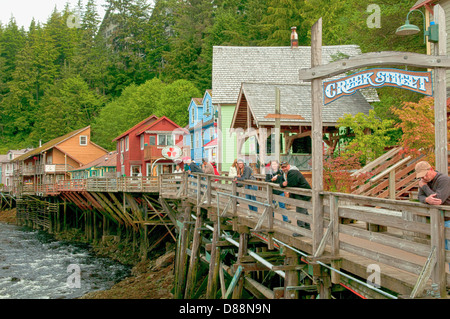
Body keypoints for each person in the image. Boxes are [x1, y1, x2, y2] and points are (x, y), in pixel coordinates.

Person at [415, 160, 450, 266]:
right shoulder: (425, 181)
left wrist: (425, 187)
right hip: (438, 220)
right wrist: (426, 200)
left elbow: (438, 200)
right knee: (442, 250)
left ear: (431, 169)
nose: (423, 178)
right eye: (421, 177)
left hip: (448, 219)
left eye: (425, 175)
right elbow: (420, 196)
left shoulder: (443, 179)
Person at [279, 161, 311, 235]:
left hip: (303, 195)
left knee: (300, 212)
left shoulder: (293, 172)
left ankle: (301, 231)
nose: (284, 169)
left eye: (285, 167)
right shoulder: (286, 174)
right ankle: (307, 228)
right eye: (282, 167)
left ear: (289, 166)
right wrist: (283, 184)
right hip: (302, 194)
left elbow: (290, 184)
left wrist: (284, 184)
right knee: (304, 212)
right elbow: (282, 182)